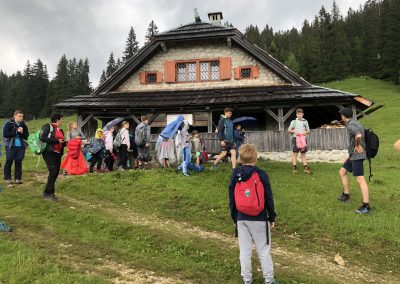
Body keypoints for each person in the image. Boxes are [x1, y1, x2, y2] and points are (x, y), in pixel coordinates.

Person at [229, 144, 276, 284]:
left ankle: (247, 280)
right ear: (255, 157)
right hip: (260, 218)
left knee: (244, 251)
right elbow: (268, 197)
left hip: (241, 217)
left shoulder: (235, 174)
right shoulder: (261, 174)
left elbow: (231, 199)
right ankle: (269, 280)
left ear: (240, 158)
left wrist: (235, 218)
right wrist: (272, 216)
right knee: (263, 250)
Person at [337, 108, 371, 214]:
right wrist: (350, 154)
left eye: (341, 116)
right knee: (342, 172)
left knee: (360, 179)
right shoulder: (356, 122)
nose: (341, 117)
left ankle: (366, 206)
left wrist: (356, 146)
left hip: (357, 155)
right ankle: (346, 195)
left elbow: (359, 135)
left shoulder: (351, 125)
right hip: (353, 155)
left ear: (343, 116)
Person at [40, 113, 66, 201]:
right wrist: (56, 141)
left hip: (58, 153)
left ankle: (50, 193)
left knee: (55, 173)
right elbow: (42, 137)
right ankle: (47, 193)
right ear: (57, 119)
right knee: (53, 172)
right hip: (49, 152)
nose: (62, 121)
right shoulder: (48, 126)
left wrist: (69, 142)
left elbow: (61, 142)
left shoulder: (60, 130)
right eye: (62, 119)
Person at [3, 110, 29, 186]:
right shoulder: (8, 124)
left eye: (22, 116)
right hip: (10, 145)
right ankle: (8, 178)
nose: (21, 118)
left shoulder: (23, 125)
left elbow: (27, 136)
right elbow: (5, 134)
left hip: (21, 146)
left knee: (19, 160)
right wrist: (16, 131)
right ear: (14, 116)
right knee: (9, 160)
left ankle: (18, 179)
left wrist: (21, 133)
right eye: (19, 116)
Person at [288, 108, 311, 174]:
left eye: (300, 114)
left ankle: (305, 168)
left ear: (302, 114)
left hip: (303, 139)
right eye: (298, 114)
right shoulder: (293, 121)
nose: (299, 115)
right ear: (296, 115)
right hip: (295, 138)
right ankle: (294, 168)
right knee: (295, 153)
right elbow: (289, 130)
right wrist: (294, 131)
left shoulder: (305, 121)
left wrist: (305, 133)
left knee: (303, 154)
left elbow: (308, 131)